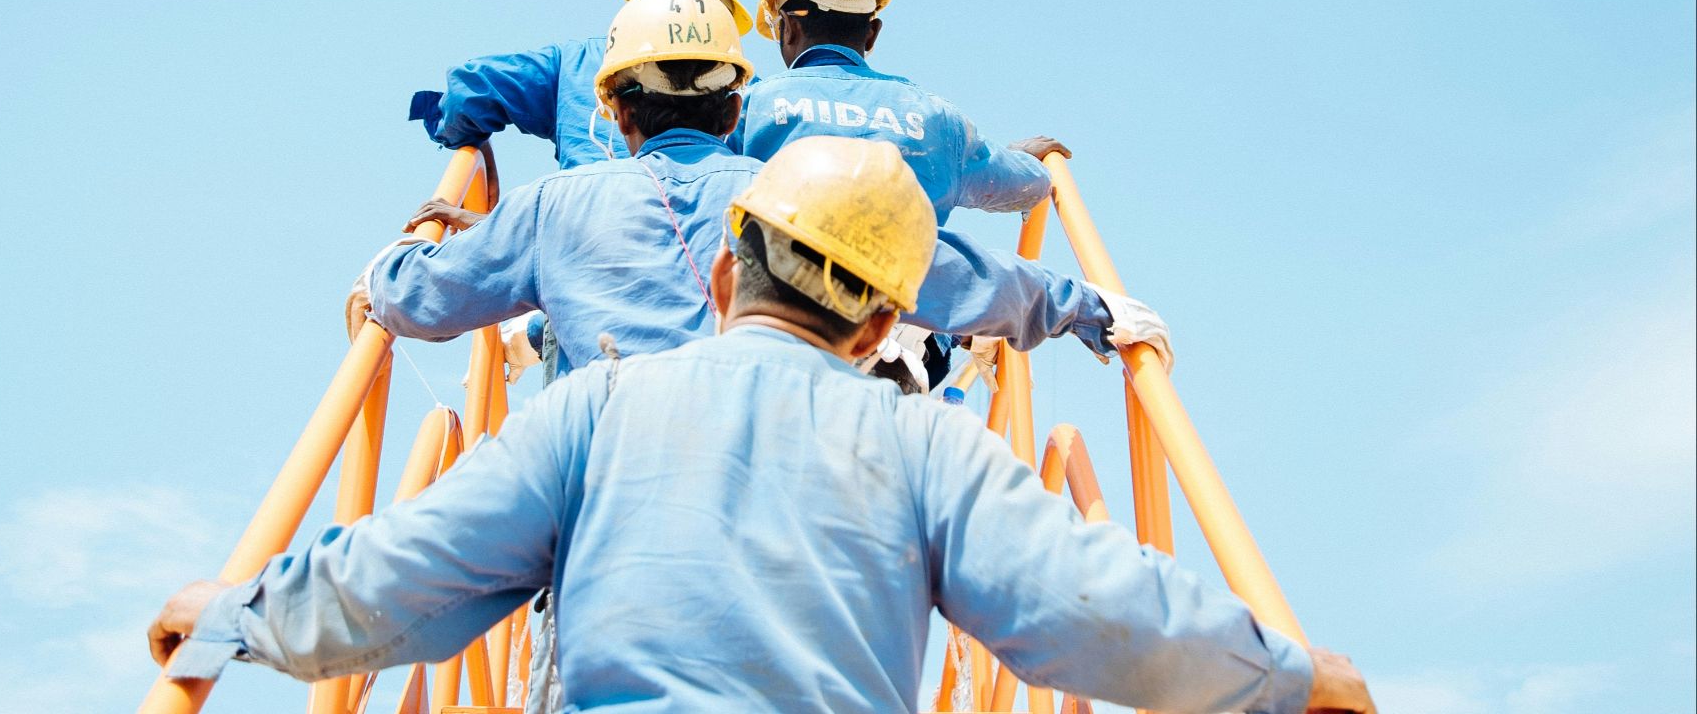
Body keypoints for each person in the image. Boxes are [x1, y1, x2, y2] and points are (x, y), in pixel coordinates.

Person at [148, 136, 1376, 714]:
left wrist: (225, 624)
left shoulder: (591, 413)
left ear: (728, 274)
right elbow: (1090, 604)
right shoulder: (930, 444)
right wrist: (1285, 675)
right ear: (879, 325)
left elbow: (401, 581)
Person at [351, 0, 1167, 380]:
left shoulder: (550, 209)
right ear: (736, 97)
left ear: (615, 107)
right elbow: (950, 273)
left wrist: (398, 260)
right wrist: (1087, 307)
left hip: (604, 526)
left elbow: (419, 300)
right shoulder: (797, 199)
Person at [738, 0, 1066, 225]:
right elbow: (1024, 184)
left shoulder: (750, 109)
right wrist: (1024, 159)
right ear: (872, 33)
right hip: (908, 287)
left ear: (789, 27)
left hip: (777, 285)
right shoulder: (937, 119)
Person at [408, 0, 751, 169]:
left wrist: (472, 142)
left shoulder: (571, 65)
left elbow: (469, 92)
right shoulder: (742, 88)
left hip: (578, 243)